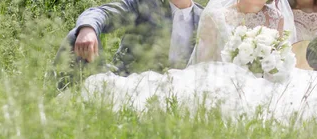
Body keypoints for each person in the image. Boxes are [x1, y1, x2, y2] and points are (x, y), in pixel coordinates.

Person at [82, 0, 317, 128]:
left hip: (272, 79)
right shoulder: (217, 16)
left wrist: (273, 61)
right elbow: (203, 66)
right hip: (223, 78)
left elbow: (290, 55)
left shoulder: (278, 15)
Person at [47, 0, 203, 90]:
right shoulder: (145, 4)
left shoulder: (204, 17)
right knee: (76, 35)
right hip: (128, 83)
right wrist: (88, 29)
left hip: (178, 91)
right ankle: (54, 98)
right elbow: (101, 13)